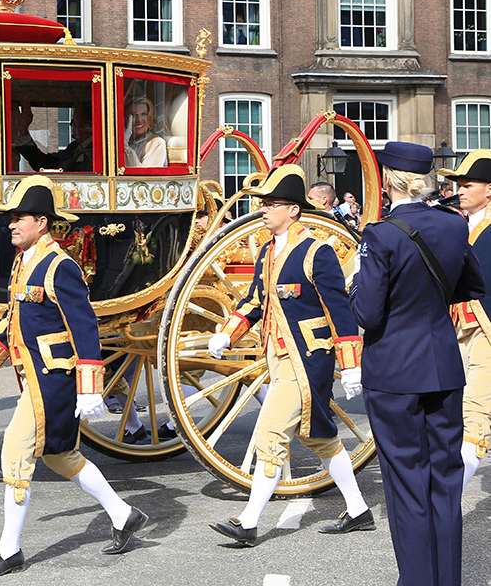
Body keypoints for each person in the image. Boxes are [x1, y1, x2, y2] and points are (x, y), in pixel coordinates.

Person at [0, 175, 148, 576]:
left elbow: (84, 328)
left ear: (41, 222)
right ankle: (123, 514)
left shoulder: (60, 265)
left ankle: (9, 550)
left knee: (15, 449)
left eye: (19, 217)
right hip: (37, 378)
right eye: (11, 217)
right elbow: (14, 320)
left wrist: (90, 387)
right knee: (62, 458)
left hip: (55, 379)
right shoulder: (23, 261)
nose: (11, 223)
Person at [206, 165, 371, 546]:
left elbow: (339, 311)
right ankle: (359, 509)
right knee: (320, 438)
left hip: (308, 360)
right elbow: (253, 301)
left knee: (269, 434)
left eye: (272, 204)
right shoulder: (267, 250)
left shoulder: (317, 251)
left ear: (293, 210)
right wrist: (227, 334)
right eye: (263, 203)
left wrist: (350, 366)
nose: (263, 210)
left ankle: (248, 522)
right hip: (277, 358)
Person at [350, 142, 485, 586]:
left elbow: (366, 314)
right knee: (444, 483)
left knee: (407, 484)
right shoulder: (452, 225)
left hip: (394, 371)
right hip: (443, 364)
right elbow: (472, 284)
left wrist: (355, 283)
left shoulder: (381, 233)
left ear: (388, 180)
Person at [438, 149, 491, 491]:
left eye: (468, 184)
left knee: (474, 415)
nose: (460, 189)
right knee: (457, 411)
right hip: (459, 331)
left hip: (486, 333)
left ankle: (446, 501)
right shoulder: (461, 225)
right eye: (459, 183)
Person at [10, 103, 94, 172]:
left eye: (75, 120)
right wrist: (23, 131)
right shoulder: (74, 147)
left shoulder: (95, 152)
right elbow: (45, 163)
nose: (71, 124)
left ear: (89, 125)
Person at [123, 96, 167, 168]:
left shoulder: (157, 143)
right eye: (134, 115)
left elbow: (144, 174)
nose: (139, 120)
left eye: (144, 114)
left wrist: (125, 146)